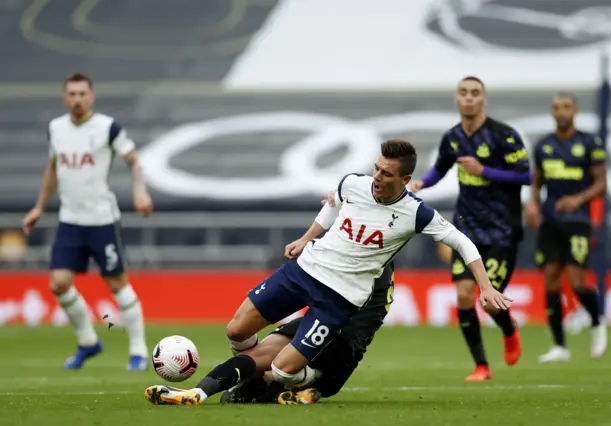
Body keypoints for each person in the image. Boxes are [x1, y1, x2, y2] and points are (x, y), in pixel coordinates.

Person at [144, 139, 510, 406]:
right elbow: (333, 205)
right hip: (304, 271)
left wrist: (486, 287)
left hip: (339, 298)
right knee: (236, 330)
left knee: (284, 370)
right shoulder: (354, 182)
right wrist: (307, 238)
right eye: (377, 169)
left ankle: (288, 379)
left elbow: (463, 242)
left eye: (386, 174)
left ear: (405, 178)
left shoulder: (416, 213)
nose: (377, 177)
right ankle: (226, 384)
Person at [21, 73, 153, 371]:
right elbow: (52, 168)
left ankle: (138, 350)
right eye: (72, 94)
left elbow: (133, 159)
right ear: (64, 98)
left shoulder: (107, 128)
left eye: (83, 93)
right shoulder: (56, 129)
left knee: (117, 283)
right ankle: (88, 342)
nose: (77, 99)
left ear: (91, 97)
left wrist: (140, 190)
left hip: (101, 219)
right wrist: (39, 207)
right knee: (58, 284)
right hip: (70, 220)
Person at [409, 76, 531, 382]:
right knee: (464, 295)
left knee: (489, 302)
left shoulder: (504, 136)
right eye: (463, 93)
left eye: (475, 93)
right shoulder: (452, 137)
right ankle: (481, 366)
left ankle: (508, 329)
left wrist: (484, 170)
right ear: (456, 99)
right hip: (467, 228)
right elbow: (440, 168)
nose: (469, 98)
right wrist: (423, 182)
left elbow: (526, 176)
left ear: (483, 99)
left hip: (502, 230)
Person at [219, 264, 395, 405]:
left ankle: (269, 385)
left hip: (337, 336)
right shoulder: (378, 261)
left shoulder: (364, 259)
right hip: (343, 345)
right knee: (269, 365)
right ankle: (278, 386)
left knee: (274, 368)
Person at [524, 93, 608, 362]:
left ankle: (597, 322)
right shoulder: (544, 146)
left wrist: (578, 199)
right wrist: (533, 205)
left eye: (566, 107)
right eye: (557, 107)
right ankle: (560, 346)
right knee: (550, 278)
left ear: (575, 111)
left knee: (576, 280)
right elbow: (537, 182)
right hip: (550, 221)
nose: (561, 111)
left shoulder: (589, 143)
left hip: (577, 221)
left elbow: (601, 183)